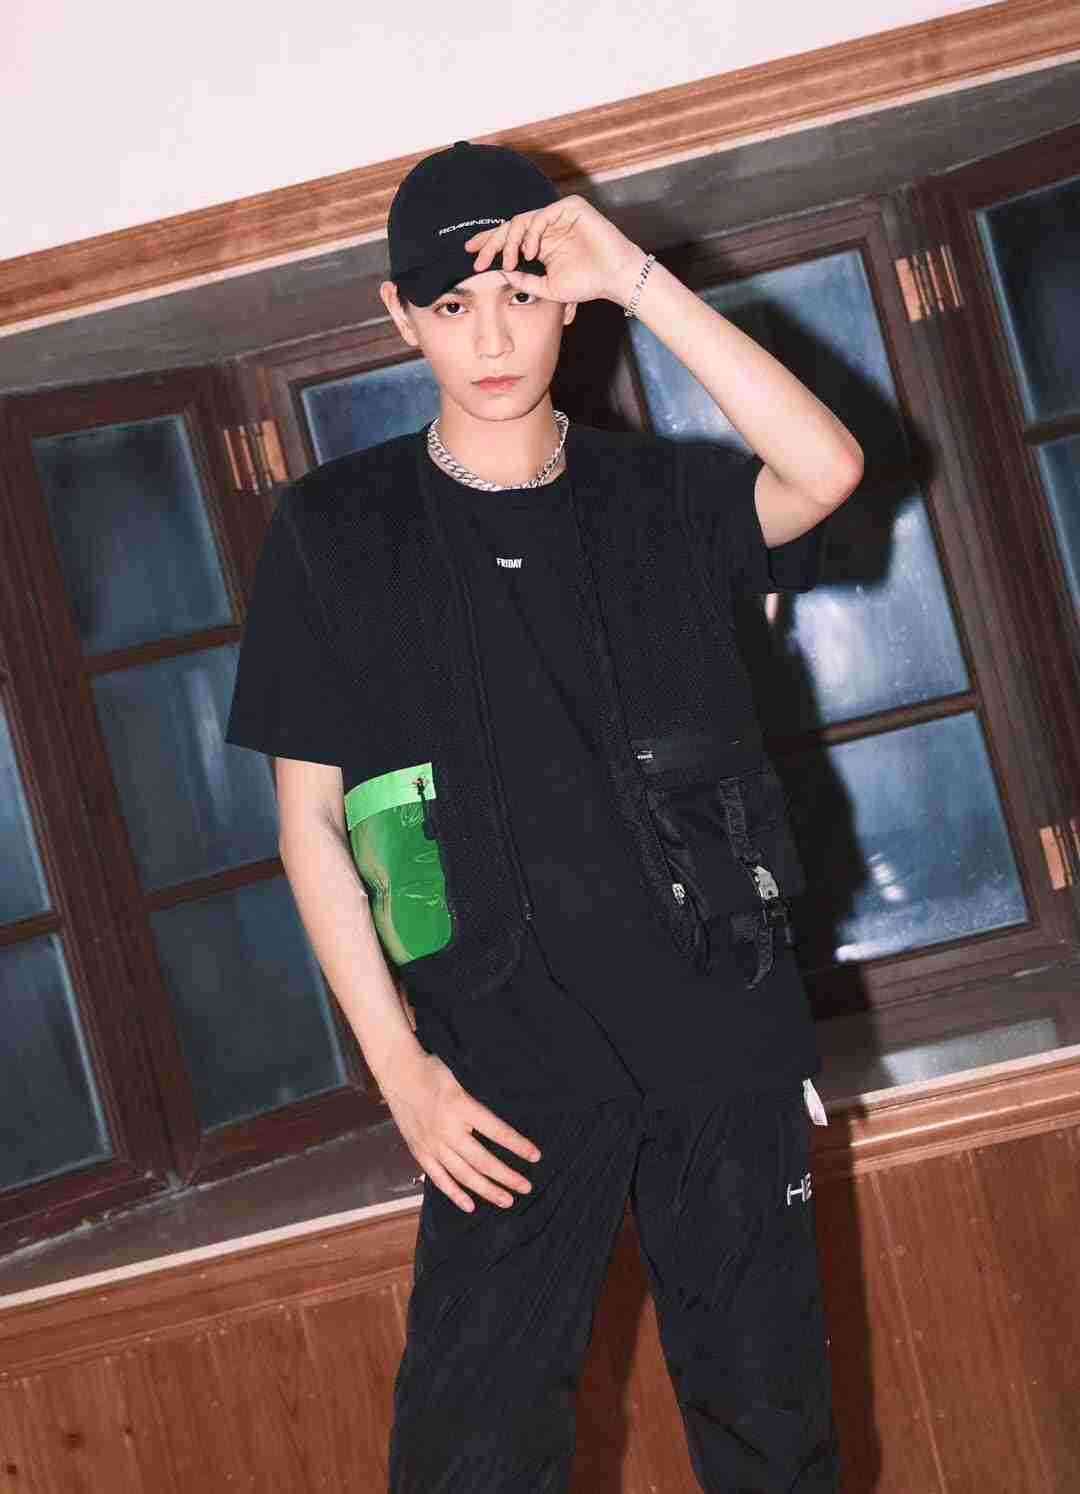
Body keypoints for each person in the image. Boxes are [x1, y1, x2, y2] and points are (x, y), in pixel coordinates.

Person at [225, 139, 862, 1492]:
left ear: (566, 302)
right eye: (453, 304)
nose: (493, 336)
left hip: (718, 1034)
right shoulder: (337, 535)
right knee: (466, 1462)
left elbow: (827, 467)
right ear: (400, 316)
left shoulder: (661, 497)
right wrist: (405, 1077)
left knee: (777, 1446)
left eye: (521, 293)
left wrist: (634, 275)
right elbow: (309, 828)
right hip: (498, 1071)